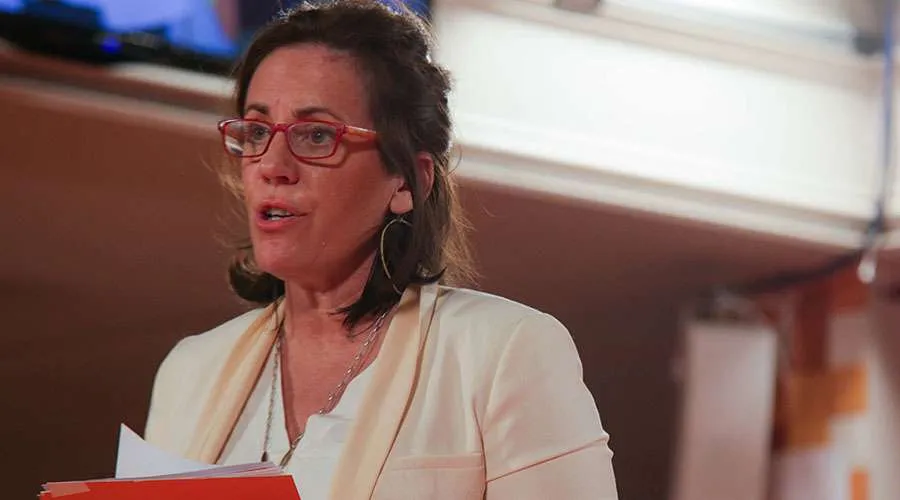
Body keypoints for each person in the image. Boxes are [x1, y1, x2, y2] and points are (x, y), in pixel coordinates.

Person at [143, 1, 618, 498]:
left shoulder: (503, 351)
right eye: (258, 131)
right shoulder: (189, 371)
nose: (272, 165)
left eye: (317, 135)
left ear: (407, 181)